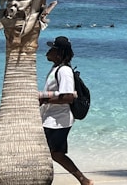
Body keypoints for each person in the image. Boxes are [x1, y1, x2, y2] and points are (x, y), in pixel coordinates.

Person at [39, 36, 94, 185]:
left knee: (54, 153)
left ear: (59, 53)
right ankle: (83, 180)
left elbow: (68, 97)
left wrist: (43, 99)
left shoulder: (64, 71)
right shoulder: (56, 68)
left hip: (58, 120)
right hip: (50, 118)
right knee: (54, 153)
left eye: (51, 49)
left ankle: (84, 180)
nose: (47, 52)